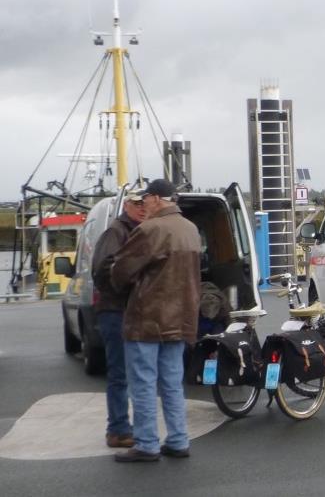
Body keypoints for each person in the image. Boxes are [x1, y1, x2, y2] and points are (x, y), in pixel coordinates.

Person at [110, 179, 201, 463]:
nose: (143, 204)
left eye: (146, 199)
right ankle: (178, 439)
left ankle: (147, 443)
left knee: (143, 383)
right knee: (172, 383)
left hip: (147, 319)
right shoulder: (191, 229)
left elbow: (121, 271)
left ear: (157, 199)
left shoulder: (150, 229)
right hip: (181, 318)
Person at [90, 189, 147, 449]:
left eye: (144, 202)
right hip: (115, 311)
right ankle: (118, 429)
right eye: (136, 203)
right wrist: (129, 288)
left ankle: (123, 426)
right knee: (120, 373)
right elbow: (101, 270)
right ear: (126, 205)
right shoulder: (116, 231)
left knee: (130, 372)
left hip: (128, 311)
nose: (142, 207)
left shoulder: (138, 230)